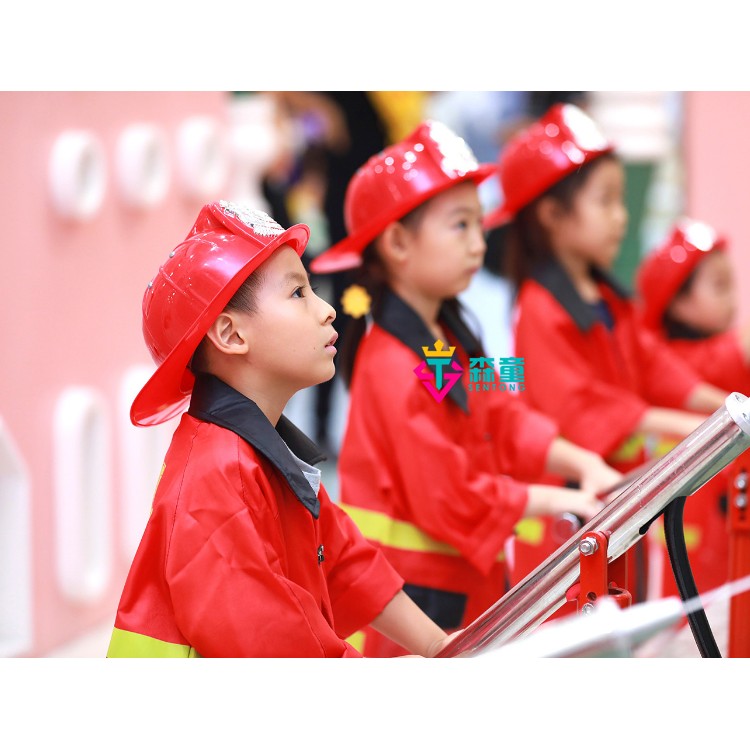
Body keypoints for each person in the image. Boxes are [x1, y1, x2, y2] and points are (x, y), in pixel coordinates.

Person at [309, 120, 623, 657]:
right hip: (412, 613)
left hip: (455, 591)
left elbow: (498, 411)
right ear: (398, 242)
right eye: (460, 225)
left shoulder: (440, 342)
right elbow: (450, 495)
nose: (479, 244)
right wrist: (557, 496)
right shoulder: (394, 364)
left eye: (480, 224)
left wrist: (580, 461)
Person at [107, 200, 458, 658]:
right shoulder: (218, 475)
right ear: (231, 335)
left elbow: (345, 561)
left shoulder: (262, 452)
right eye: (298, 293)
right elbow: (276, 645)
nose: (327, 309)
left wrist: (438, 646)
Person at [483, 104, 730, 601]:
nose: (622, 216)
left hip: (616, 497)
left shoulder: (608, 297)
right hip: (570, 514)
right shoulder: (539, 308)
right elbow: (580, 406)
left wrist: (720, 405)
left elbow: (654, 365)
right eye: (606, 201)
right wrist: (692, 425)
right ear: (552, 215)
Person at [635, 217, 748, 596]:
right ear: (677, 301)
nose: (733, 299)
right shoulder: (683, 360)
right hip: (694, 546)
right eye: (720, 285)